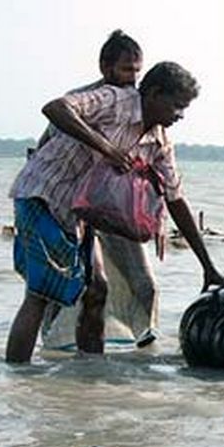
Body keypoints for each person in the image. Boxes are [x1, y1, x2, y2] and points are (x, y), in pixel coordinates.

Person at [6, 61, 224, 363]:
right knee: (40, 294)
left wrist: (208, 266)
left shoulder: (159, 141)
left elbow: (176, 199)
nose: (180, 116)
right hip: (44, 195)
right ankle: (19, 377)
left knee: (98, 289)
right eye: (176, 106)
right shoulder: (115, 101)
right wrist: (108, 149)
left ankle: (89, 372)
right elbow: (56, 108)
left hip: (80, 216)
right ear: (153, 93)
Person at [35, 30, 161, 348]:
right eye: (125, 70)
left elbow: (155, 167)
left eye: (137, 71)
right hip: (73, 206)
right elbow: (46, 147)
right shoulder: (85, 101)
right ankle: (55, 347)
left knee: (144, 284)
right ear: (105, 67)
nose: (132, 78)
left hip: (115, 207)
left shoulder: (141, 107)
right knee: (67, 283)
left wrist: (157, 217)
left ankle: (141, 346)